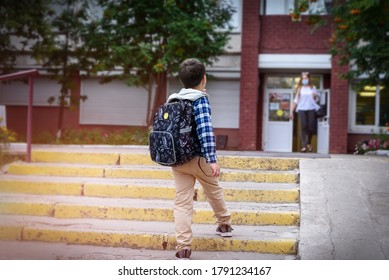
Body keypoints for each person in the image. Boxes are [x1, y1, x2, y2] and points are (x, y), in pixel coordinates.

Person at [166, 58, 232, 259]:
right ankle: (224, 224)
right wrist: (212, 159)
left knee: (182, 203)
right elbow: (205, 130)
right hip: (198, 159)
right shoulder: (200, 100)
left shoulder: (173, 99)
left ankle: (183, 246)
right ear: (204, 79)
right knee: (213, 191)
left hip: (178, 160)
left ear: (182, 80)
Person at [290, 72, 320, 152]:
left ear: (309, 79)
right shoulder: (300, 88)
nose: (304, 80)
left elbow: (316, 100)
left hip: (311, 109)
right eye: (303, 78)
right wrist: (291, 112)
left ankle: (309, 143)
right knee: (303, 126)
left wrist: (315, 96)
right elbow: (295, 101)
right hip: (301, 109)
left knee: (310, 127)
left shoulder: (312, 87)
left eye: (306, 78)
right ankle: (303, 146)